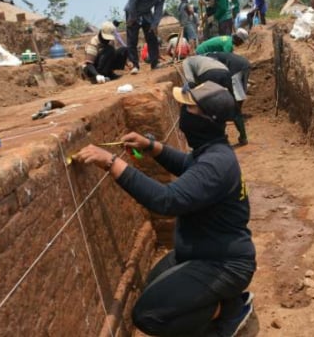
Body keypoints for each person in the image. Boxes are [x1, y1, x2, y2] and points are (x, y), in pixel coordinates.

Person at [73, 81, 256, 337]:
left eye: (188, 108)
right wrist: (151, 146)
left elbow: (166, 201)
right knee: (153, 290)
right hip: (202, 250)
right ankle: (221, 304)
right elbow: (187, 164)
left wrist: (111, 162)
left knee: (148, 316)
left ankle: (228, 313)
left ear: (207, 119)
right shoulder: (211, 151)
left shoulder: (217, 163)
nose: (182, 113)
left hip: (224, 263)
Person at [124, 0, 175, 74]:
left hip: (146, 13)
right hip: (133, 10)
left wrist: (155, 24)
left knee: (152, 36)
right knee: (132, 39)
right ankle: (135, 65)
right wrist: (132, 17)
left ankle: (155, 63)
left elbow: (159, 8)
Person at [207, 52, 251, 146]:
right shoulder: (215, 56)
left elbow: (220, 73)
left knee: (234, 106)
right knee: (239, 95)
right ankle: (242, 135)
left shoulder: (210, 59)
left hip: (236, 68)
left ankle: (238, 137)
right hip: (244, 64)